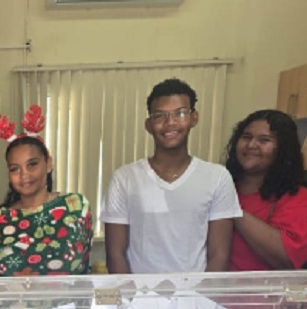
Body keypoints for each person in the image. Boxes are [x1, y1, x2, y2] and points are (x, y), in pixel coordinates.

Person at [103, 78, 241, 274]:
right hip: (141, 293)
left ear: (194, 118)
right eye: (159, 116)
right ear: (149, 124)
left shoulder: (217, 177)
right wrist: (129, 293)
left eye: (180, 113)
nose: (170, 123)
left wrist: (201, 294)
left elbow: (219, 255)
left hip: (196, 293)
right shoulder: (124, 179)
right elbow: (115, 254)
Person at [0, 107, 92, 277]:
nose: (24, 175)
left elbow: (84, 269)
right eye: (15, 169)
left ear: (48, 164)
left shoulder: (76, 207)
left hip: (69, 296)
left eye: (32, 164)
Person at [224, 109, 307, 271]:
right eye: (246, 137)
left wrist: (232, 210)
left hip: (268, 288)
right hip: (212, 287)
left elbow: (287, 258)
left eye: (264, 140)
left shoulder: (297, 197)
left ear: (283, 149)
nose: (251, 145)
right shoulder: (222, 186)